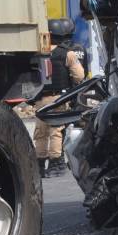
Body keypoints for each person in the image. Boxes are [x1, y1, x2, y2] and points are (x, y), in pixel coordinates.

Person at [33, 19, 84, 178]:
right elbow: (79, 76)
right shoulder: (67, 53)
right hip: (58, 98)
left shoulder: (38, 53)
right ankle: (56, 164)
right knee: (55, 130)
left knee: (40, 132)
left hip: (40, 99)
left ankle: (40, 165)